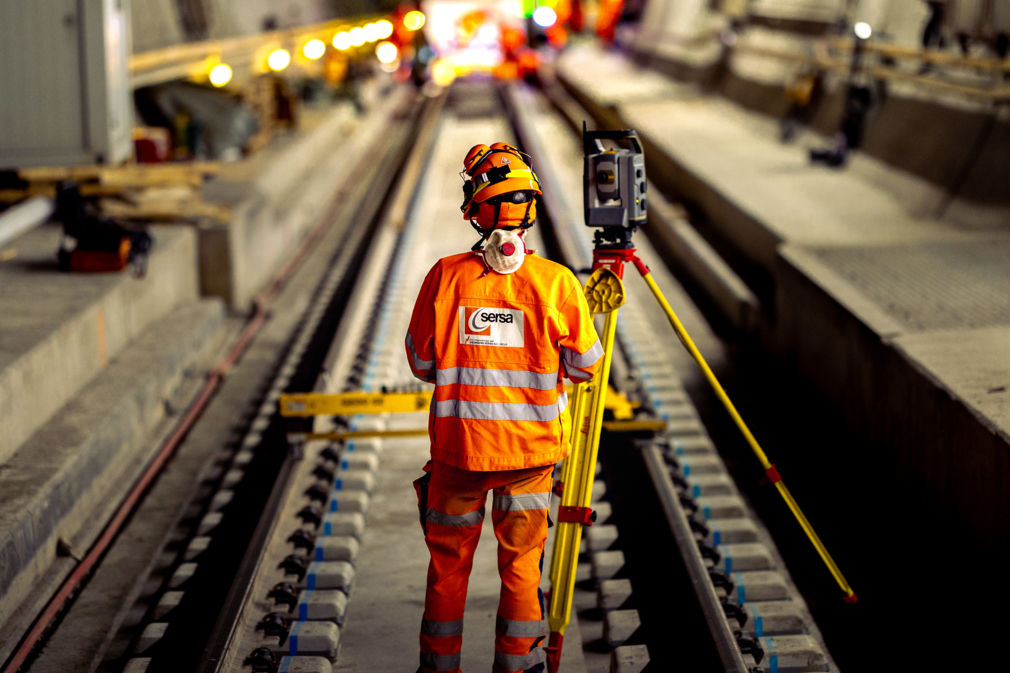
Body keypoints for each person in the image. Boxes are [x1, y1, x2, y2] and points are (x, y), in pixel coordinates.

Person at [405, 143, 604, 673]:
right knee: (521, 568)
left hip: (458, 456)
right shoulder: (557, 283)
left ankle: (439, 667)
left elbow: (421, 363)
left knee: (447, 569)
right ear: (530, 211)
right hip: (529, 458)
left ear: (474, 209)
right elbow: (587, 365)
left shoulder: (445, 276)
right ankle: (516, 667)